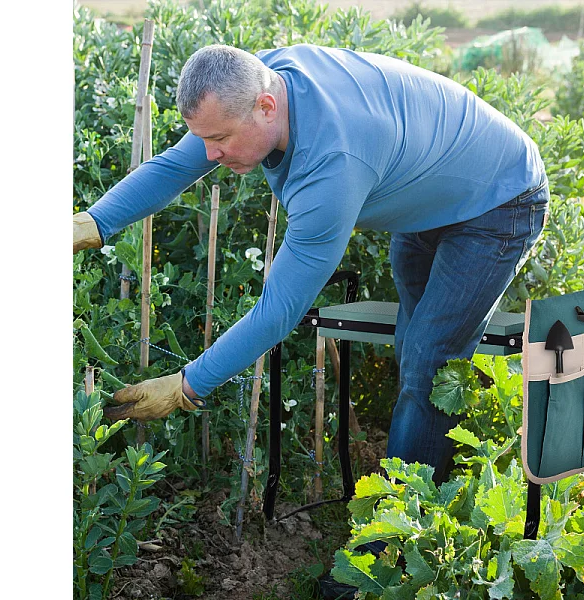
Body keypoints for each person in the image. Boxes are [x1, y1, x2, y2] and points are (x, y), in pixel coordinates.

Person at [73, 43, 548, 597]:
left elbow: (278, 312)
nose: (212, 152)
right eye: (207, 138)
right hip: (430, 189)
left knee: (429, 361)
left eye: (222, 139)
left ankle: (383, 550)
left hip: (498, 199)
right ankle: (423, 487)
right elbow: (179, 163)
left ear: (267, 108)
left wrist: (185, 387)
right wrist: (93, 222)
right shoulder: (254, 80)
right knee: (419, 358)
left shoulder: (332, 168)